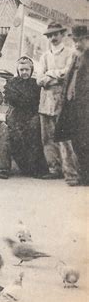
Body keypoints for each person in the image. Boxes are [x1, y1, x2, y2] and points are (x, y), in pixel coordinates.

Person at [35, 21, 79, 185]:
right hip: (45, 102)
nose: (53, 38)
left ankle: (70, 171)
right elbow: (39, 79)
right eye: (50, 35)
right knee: (47, 137)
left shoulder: (70, 53)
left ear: (62, 35)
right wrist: (54, 77)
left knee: (64, 136)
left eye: (56, 34)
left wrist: (50, 74)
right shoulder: (44, 56)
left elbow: (67, 74)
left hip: (62, 101)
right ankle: (54, 169)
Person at [56, 25, 89, 185]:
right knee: (77, 141)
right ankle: (83, 175)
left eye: (80, 40)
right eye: (74, 40)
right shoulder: (76, 56)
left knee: (85, 141)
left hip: (86, 107)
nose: (76, 44)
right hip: (72, 106)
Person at [4, 56, 48, 178]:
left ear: (31, 70)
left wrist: (25, 101)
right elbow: (11, 99)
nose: (24, 72)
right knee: (15, 136)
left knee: (34, 132)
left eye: (27, 70)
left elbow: (37, 101)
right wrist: (26, 100)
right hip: (16, 114)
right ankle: (24, 167)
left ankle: (35, 168)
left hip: (32, 114)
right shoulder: (11, 83)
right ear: (18, 70)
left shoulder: (35, 84)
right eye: (21, 70)